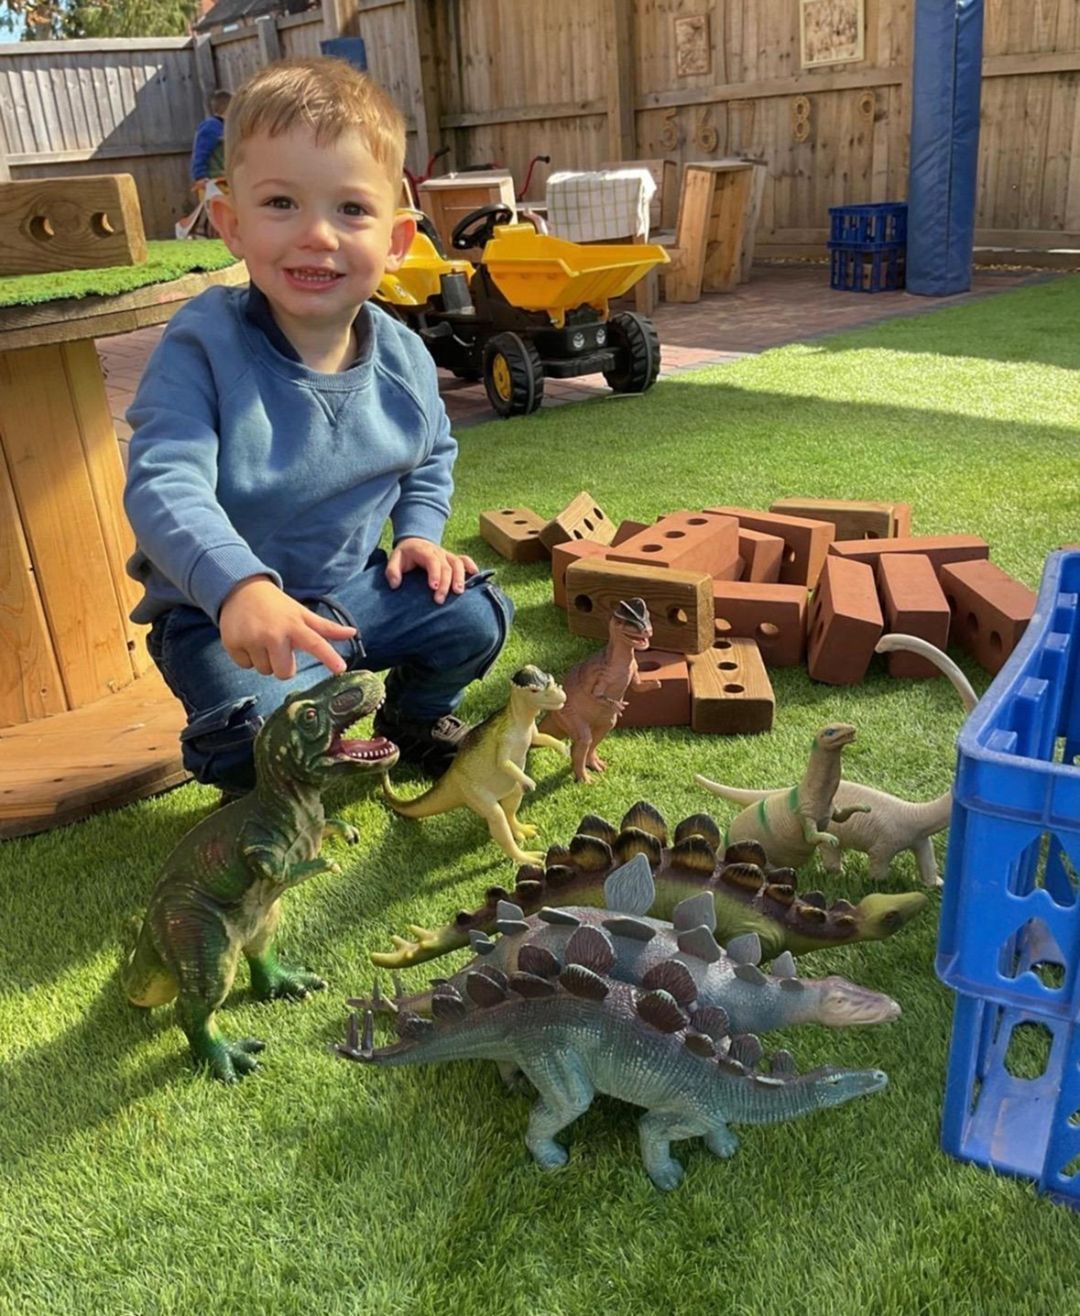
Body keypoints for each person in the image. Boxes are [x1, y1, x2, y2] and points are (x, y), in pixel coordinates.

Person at [124, 57, 512, 795]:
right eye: (280, 203)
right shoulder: (203, 344)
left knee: (478, 611)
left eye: (351, 210)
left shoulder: (402, 354)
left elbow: (430, 452)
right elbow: (162, 483)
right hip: (221, 618)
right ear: (231, 223)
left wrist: (422, 534)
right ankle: (300, 736)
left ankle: (414, 718)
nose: (317, 236)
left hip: (352, 599)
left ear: (398, 241)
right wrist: (238, 588)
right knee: (248, 733)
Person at [190, 88, 231, 187]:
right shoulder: (211, 127)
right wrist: (199, 176)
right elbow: (200, 152)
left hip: (224, 178)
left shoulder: (224, 127)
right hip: (213, 180)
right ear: (229, 109)